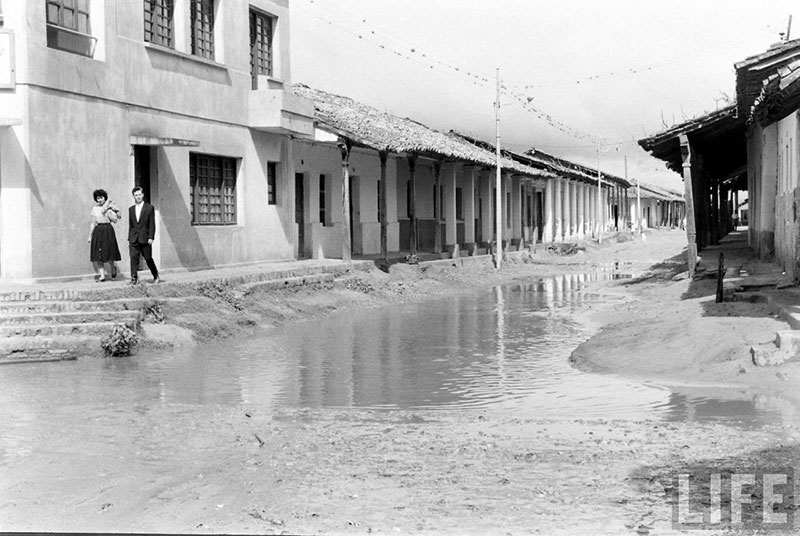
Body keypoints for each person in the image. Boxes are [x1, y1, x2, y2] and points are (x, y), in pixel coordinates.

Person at [88, 188, 122, 282]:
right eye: (98, 198)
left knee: (109, 251)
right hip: (98, 230)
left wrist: (110, 210)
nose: (100, 200)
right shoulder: (95, 209)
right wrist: (90, 236)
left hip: (108, 230)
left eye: (101, 197)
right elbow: (93, 223)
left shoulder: (110, 207)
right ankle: (102, 275)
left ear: (105, 198)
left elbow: (116, 219)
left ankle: (112, 267)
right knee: (98, 254)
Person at [128, 186, 160, 285]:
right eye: (136, 195)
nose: (138, 197)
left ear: (143, 195)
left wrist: (151, 237)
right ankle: (134, 278)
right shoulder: (131, 209)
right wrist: (130, 237)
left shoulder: (149, 208)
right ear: (133, 196)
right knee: (133, 257)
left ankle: (155, 275)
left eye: (139, 195)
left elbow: (152, 224)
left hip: (145, 237)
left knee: (148, 258)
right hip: (134, 238)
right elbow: (131, 225)